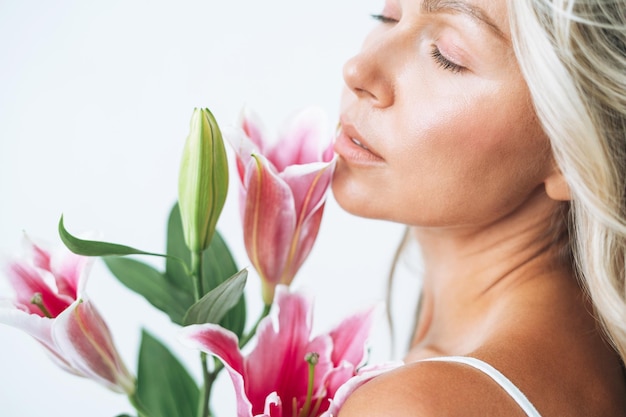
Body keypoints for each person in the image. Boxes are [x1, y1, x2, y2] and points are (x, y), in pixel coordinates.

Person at [331, 0, 626, 415]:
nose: (358, 69)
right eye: (389, 16)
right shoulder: (588, 366)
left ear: (572, 152)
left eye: (446, 56)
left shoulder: (416, 406)